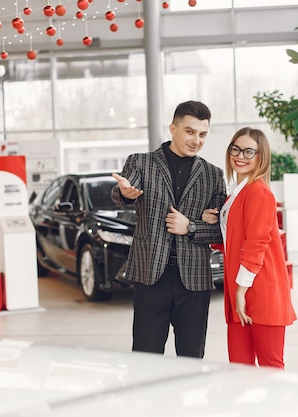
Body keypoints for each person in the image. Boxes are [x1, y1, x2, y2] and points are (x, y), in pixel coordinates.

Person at [110, 100, 226, 359]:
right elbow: (125, 193)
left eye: (202, 134)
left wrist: (191, 227)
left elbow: (221, 231)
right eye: (190, 131)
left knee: (191, 359)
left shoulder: (213, 175)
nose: (196, 140)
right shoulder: (141, 163)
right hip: (151, 277)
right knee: (146, 356)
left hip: (194, 281)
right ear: (172, 128)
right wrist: (126, 193)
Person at [204, 127, 296, 368]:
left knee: (269, 368)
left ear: (261, 156)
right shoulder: (237, 192)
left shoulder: (259, 192)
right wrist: (214, 222)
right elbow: (235, 240)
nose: (240, 155)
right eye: (235, 148)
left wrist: (240, 292)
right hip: (241, 290)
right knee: (240, 368)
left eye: (248, 151)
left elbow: (256, 245)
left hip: (258, 291)